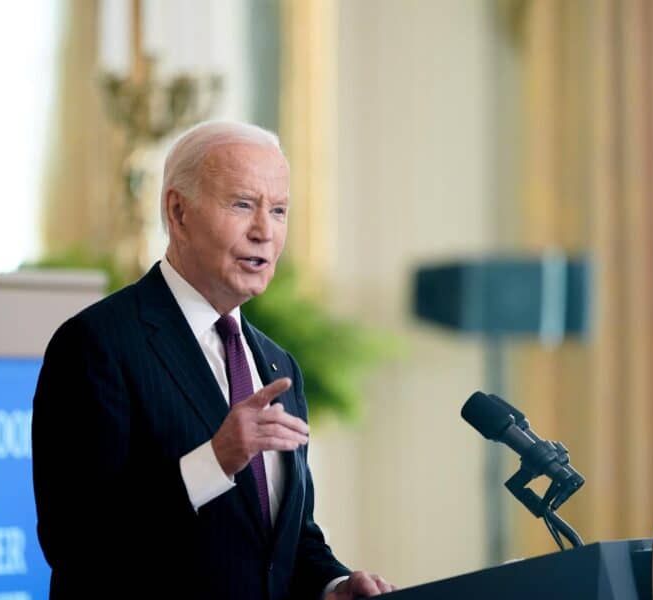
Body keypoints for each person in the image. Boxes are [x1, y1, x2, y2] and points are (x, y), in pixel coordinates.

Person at [32, 120, 395, 599]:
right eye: (243, 205)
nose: (264, 231)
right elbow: (77, 543)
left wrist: (333, 585)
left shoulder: (277, 365)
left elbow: (281, 539)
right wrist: (214, 461)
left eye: (280, 210)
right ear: (178, 212)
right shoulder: (97, 344)